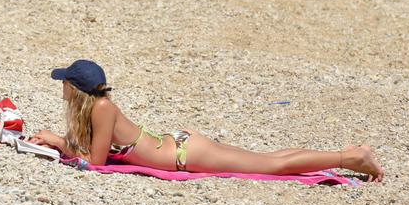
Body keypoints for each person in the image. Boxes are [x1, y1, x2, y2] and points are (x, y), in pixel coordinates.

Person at [27, 60, 384, 181]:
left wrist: (60, 143)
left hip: (186, 154)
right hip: (182, 145)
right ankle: (347, 154)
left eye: (64, 82)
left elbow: (95, 161)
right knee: (269, 158)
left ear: (76, 89)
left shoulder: (102, 108)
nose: (61, 86)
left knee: (273, 165)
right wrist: (62, 141)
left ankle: (349, 157)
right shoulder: (98, 108)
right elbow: (96, 151)